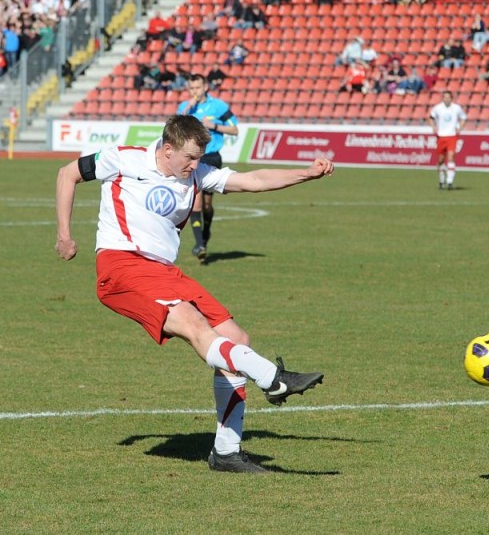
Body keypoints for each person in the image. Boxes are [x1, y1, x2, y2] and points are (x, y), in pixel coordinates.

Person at [55, 115, 335, 474]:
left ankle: (227, 452)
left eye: (199, 158)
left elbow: (253, 180)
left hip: (165, 272)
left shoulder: (197, 174)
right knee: (193, 323)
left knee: (237, 338)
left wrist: (306, 173)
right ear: (167, 149)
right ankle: (273, 378)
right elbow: (68, 173)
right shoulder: (123, 158)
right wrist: (64, 235)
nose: (194, 165)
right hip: (121, 265)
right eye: (189, 157)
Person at [177, 74, 240, 260]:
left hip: (211, 157)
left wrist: (213, 125)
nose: (194, 91)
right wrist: (186, 110)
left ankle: (206, 232)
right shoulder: (185, 107)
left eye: (197, 87)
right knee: (196, 201)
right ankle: (200, 244)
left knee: (206, 204)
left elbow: (234, 130)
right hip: (192, 159)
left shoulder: (219, 106)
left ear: (205, 87)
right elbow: (174, 129)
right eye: (191, 88)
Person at [428, 90, 467, 190]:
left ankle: (450, 182)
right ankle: (442, 180)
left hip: (452, 136)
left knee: (451, 156)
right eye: (445, 97)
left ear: (451, 98)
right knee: (441, 160)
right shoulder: (438, 108)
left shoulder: (456, 108)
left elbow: (463, 118)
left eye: (448, 97)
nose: (447, 99)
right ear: (442, 98)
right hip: (441, 136)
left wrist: (459, 129)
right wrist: (434, 127)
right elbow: (430, 117)